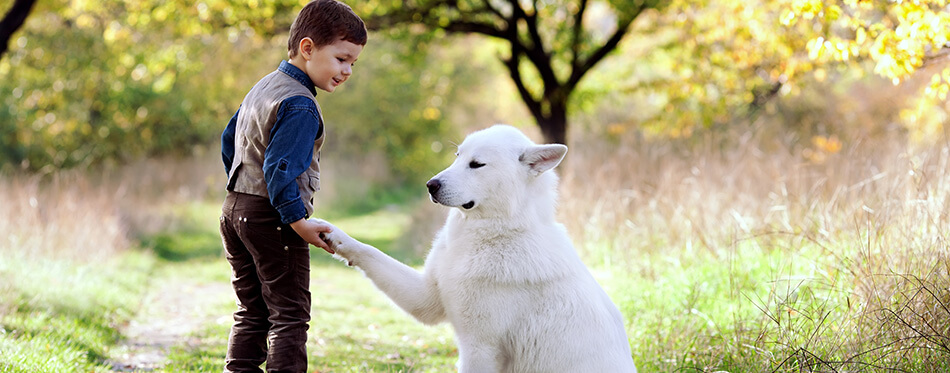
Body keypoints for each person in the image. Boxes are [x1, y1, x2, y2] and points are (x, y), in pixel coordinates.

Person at [218, 1, 366, 371]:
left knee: (252, 310)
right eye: (341, 58)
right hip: (273, 218)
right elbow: (280, 169)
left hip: (236, 209)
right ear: (307, 48)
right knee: (289, 315)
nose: (347, 70)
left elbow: (228, 139)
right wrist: (298, 221)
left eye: (353, 63)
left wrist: (241, 191)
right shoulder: (300, 105)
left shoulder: (265, 86)